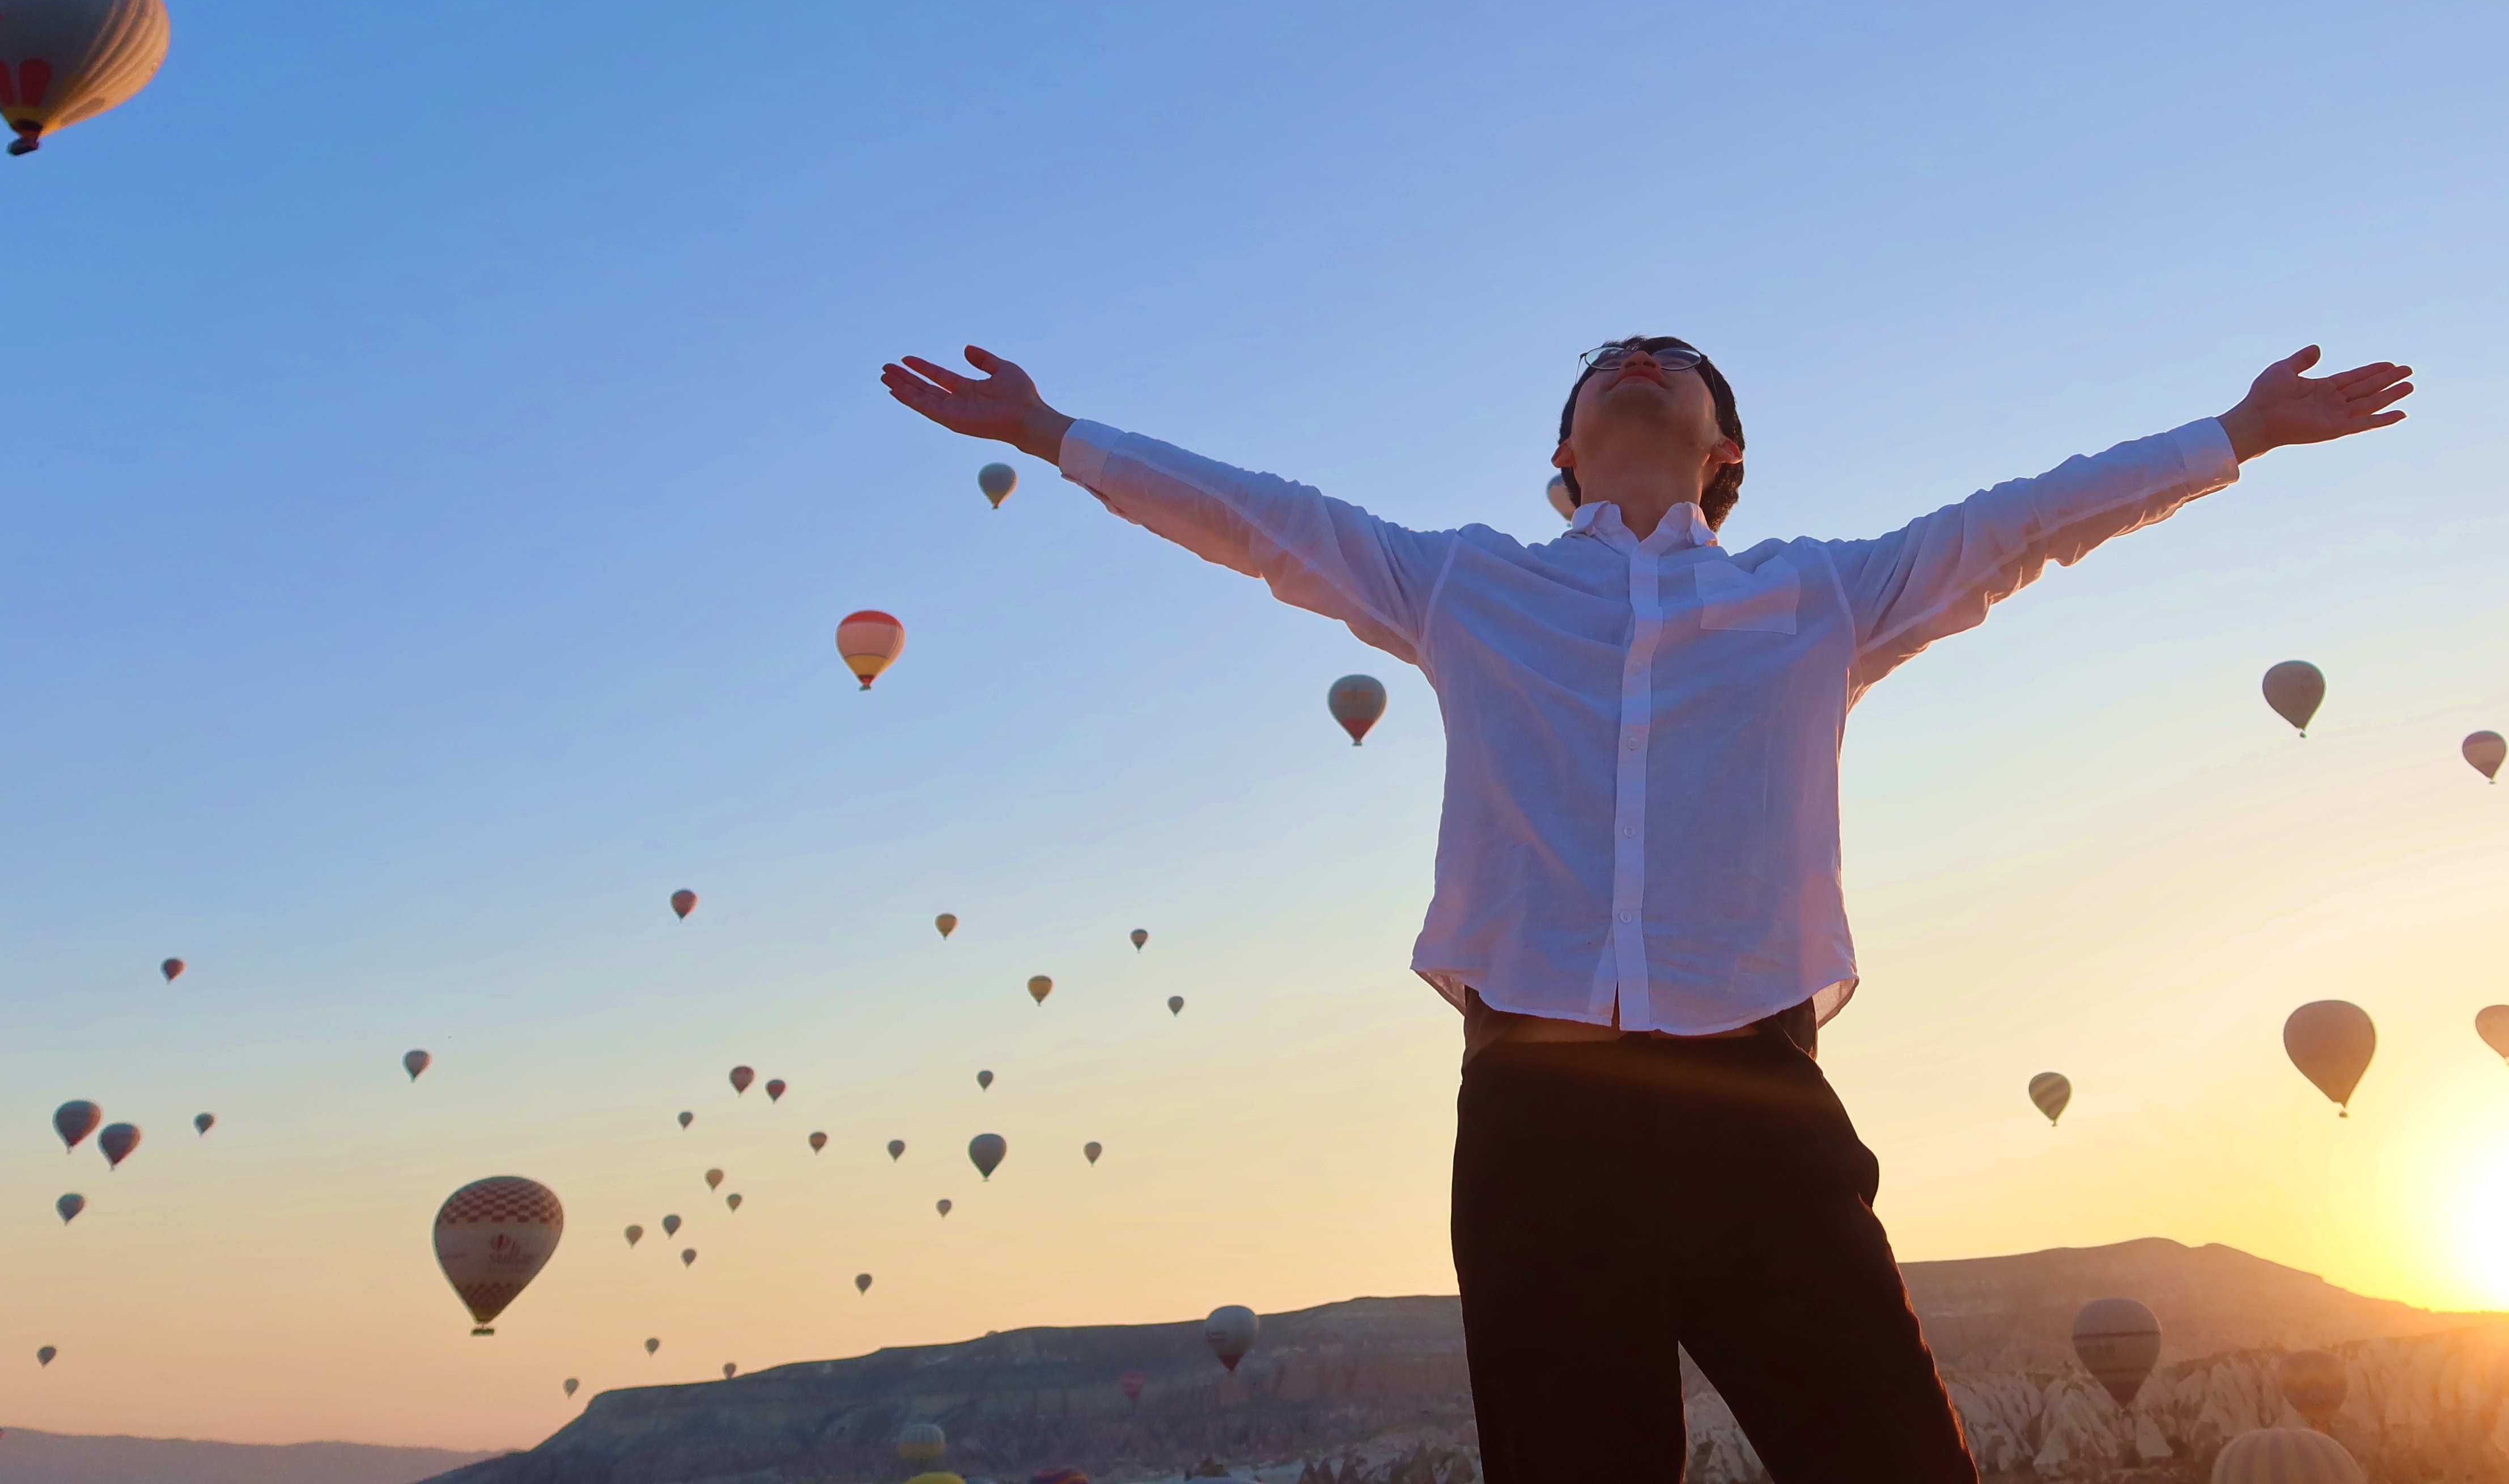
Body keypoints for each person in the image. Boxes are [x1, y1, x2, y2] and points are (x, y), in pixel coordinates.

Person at [880, 335, 2412, 1483]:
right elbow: (1258, 518)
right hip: (1539, 1122)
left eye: (1676, 362)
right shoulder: (1464, 583)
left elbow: (2024, 524)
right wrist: (1052, 433)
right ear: (1562, 448)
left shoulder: (1819, 596)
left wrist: (2235, 435)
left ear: (1724, 447)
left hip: (1762, 1113)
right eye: (1608, 361)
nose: (1638, 359)